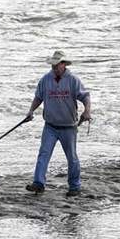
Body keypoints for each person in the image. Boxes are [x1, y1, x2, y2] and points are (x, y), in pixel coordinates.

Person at [24, 50, 91, 197]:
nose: (54, 67)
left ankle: (75, 186)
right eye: (52, 65)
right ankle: (38, 183)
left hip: (69, 127)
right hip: (50, 126)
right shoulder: (45, 79)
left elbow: (85, 97)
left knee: (72, 158)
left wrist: (87, 111)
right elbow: (38, 97)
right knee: (43, 155)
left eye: (57, 65)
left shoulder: (73, 80)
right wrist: (31, 111)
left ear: (63, 64)